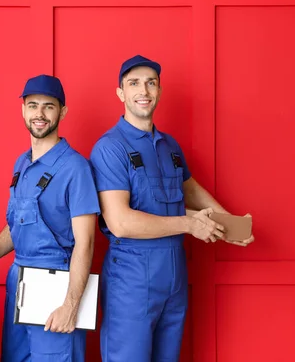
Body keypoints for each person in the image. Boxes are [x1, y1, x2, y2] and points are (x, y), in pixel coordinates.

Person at [89, 55, 255, 361]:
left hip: (174, 275)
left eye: (151, 83)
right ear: (120, 93)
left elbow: (188, 189)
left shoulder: (170, 146)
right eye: (134, 83)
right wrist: (190, 224)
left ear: (160, 91)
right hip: (132, 278)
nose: (144, 90)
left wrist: (228, 224)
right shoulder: (110, 147)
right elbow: (120, 222)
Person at [0, 74, 100, 361]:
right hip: (19, 282)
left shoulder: (75, 168)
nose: (39, 114)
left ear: (62, 112)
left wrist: (70, 305)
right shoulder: (22, 163)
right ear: (23, 110)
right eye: (33, 105)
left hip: (57, 283)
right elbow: (17, 223)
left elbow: (86, 243)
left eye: (48, 106)